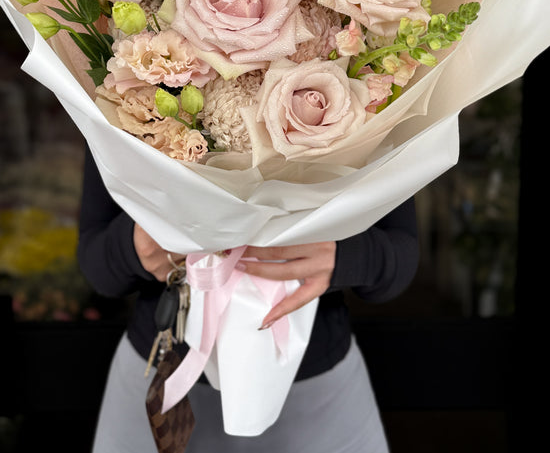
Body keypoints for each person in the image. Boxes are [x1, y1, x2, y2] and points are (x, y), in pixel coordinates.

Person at [78, 145, 419, 453]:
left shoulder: (358, 85)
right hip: (162, 380)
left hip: (314, 396)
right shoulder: (133, 80)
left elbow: (400, 258)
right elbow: (98, 268)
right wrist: (136, 247)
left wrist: (343, 255)